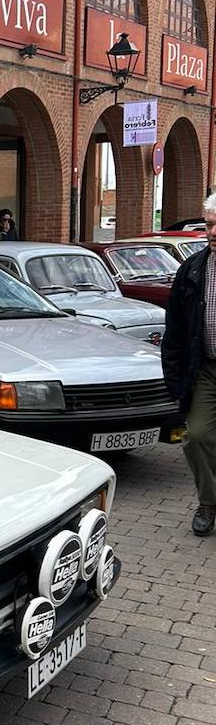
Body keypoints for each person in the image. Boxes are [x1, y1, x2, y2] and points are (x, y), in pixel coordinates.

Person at [161, 193, 216, 535]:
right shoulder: (193, 268)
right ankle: (208, 502)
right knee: (196, 436)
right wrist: (176, 377)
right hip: (206, 368)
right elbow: (176, 328)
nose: (214, 231)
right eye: (211, 224)